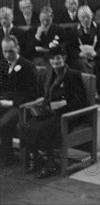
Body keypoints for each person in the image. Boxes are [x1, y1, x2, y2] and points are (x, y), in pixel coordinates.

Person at [20, 45, 86, 178]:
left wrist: (63, 104)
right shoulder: (49, 74)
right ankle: (39, 159)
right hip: (51, 112)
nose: (56, 61)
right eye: (53, 59)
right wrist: (42, 107)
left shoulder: (73, 75)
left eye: (59, 58)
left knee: (43, 128)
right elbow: (46, 97)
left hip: (68, 114)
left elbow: (81, 102)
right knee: (26, 125)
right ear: (49, 61)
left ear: (64, 59)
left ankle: (50, 164)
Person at [0, 35, 39, 166]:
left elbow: (32, 95)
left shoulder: (28, 67)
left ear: (17, 49)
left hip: (22, 106)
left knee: (4, 124)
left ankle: (7, 157)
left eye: (10, 51)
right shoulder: (3, 65)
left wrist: (11, 103)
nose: (7, 55)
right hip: (5, 102)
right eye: (4, 51)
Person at [67, 6, 100, 100]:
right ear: (79, 18)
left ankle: (92, 92)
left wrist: (96, 53)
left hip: (96, 56)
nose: (86, 20)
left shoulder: (99, 28)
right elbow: (70, 48)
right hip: (81, 58)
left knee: (92, 64)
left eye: (88, 17)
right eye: (83, 17)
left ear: (92, 16)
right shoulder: (74, 30)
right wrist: (79, 54)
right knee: (84, 64)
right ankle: (92, 92)